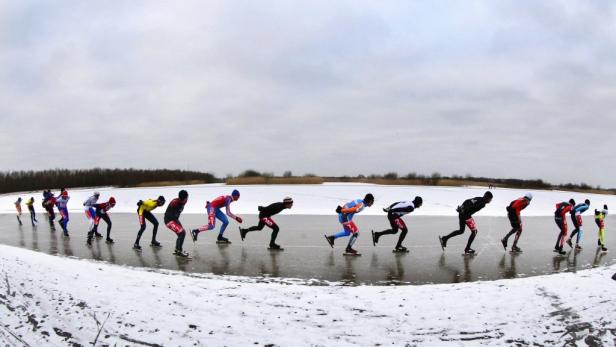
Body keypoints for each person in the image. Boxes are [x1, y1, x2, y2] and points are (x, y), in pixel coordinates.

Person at [164, 190, 190, 257]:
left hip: (175, 219)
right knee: (182, 233)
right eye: (186, 198)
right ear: (183, 199)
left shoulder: (184, 201)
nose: (187, 199)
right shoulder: (175, 202)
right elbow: (171, 208)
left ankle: (177, 249)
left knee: (180, 234)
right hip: (169, 220)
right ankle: (179, 251)